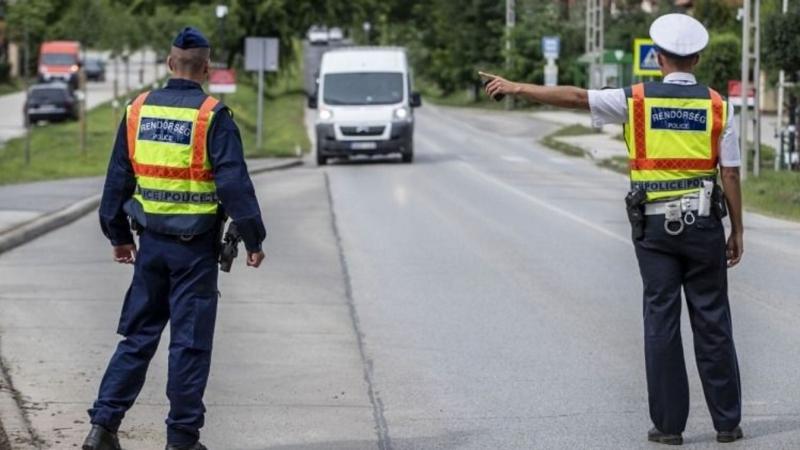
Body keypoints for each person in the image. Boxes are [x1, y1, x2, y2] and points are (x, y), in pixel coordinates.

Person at [481, 13, 743, 446]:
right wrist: (738, 230)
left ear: (657, 57)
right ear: (697, 59)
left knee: (661, 321)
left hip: (654, 229)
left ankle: (669, 427)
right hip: (704, 226)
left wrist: (517, 87)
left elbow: (575, 97)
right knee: (712, 318)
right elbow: (729, 174)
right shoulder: (719, 106)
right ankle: (727, 423)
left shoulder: (634, 99)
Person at [82, 27, 266, 450]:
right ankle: (181, 439)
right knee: (189, 344)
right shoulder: (212, 116)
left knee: (137, 337)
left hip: (150, 247)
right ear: (206, 68)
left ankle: (102, 427)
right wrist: (254, 239)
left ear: (169, 64)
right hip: (195, 252)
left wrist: (117, 234)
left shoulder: (137, 111)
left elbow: (118, 177)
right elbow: (234, 185)